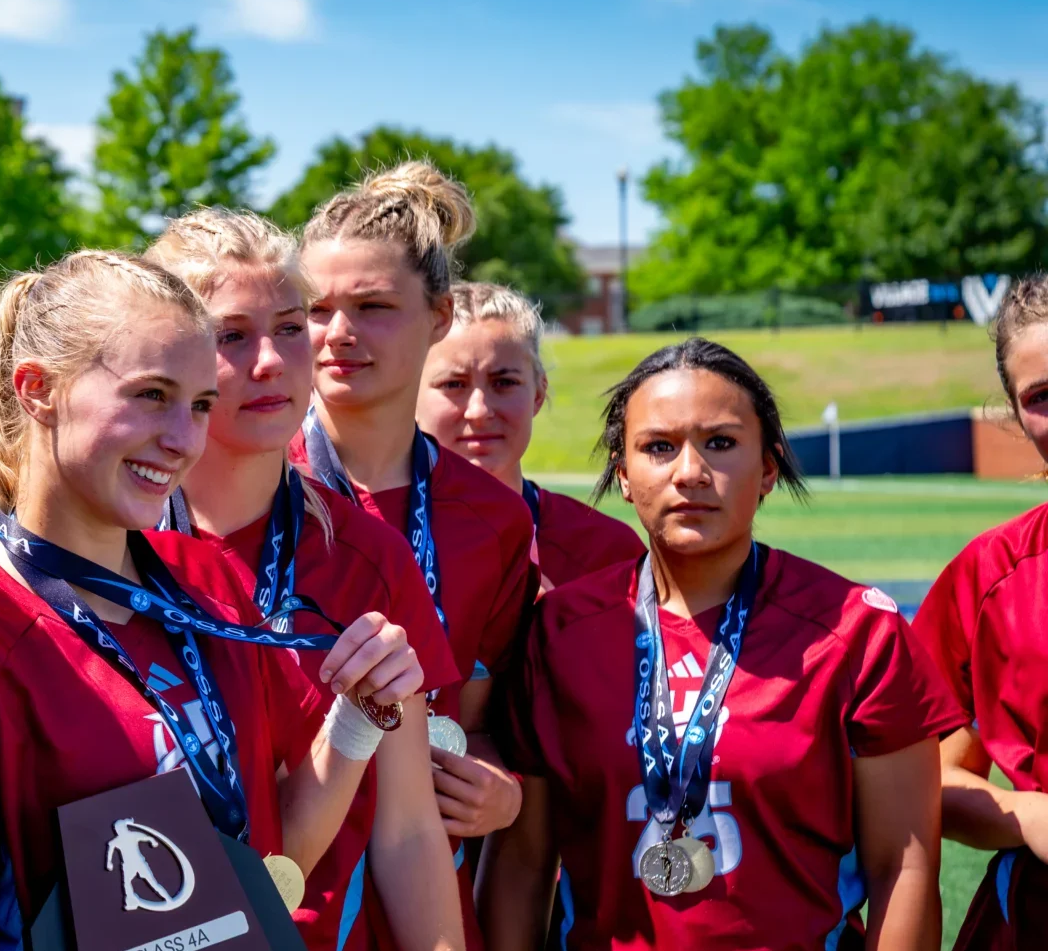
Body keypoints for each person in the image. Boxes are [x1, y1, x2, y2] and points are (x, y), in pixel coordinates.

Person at [0, 249, 429, 951]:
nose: (181, 439)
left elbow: (265, 858)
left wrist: (358, 717)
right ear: (37, 389)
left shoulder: (209, 585)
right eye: (150, 395)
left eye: (199, 404)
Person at [479, 337, 964, 951]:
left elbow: (905, 865)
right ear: (624, 475)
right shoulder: (560, 631)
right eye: (659, 447)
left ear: (768, 468)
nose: (690, 473)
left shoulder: (857, 633)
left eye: (721, 443)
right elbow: (523, 862)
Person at [146, 209, 465, 951]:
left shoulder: (368, 557)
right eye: (231, 335)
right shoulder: (108, 551)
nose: (272, 361)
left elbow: (409, 828)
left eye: (291, 327)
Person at [295, 160, 536, 945]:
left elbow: (476, 718)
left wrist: (501, 790)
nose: (337, 334)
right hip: (278, 881)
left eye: (372, 307)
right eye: (315, 308)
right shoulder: (247, 488)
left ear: (437, 317)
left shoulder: (493, 519)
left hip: (421, 886)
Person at [910, 273, 1048, 950]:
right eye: (1043, 397)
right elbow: (921, 773)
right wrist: (1029, 814)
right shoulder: (992, 574)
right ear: (1016, 413)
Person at [416, 281, 643, 591]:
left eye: (504, 383)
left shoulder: (605, 551)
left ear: (538, 393)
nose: (479, 411)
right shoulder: (369, 539)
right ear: (409, 396)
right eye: (453, 384)